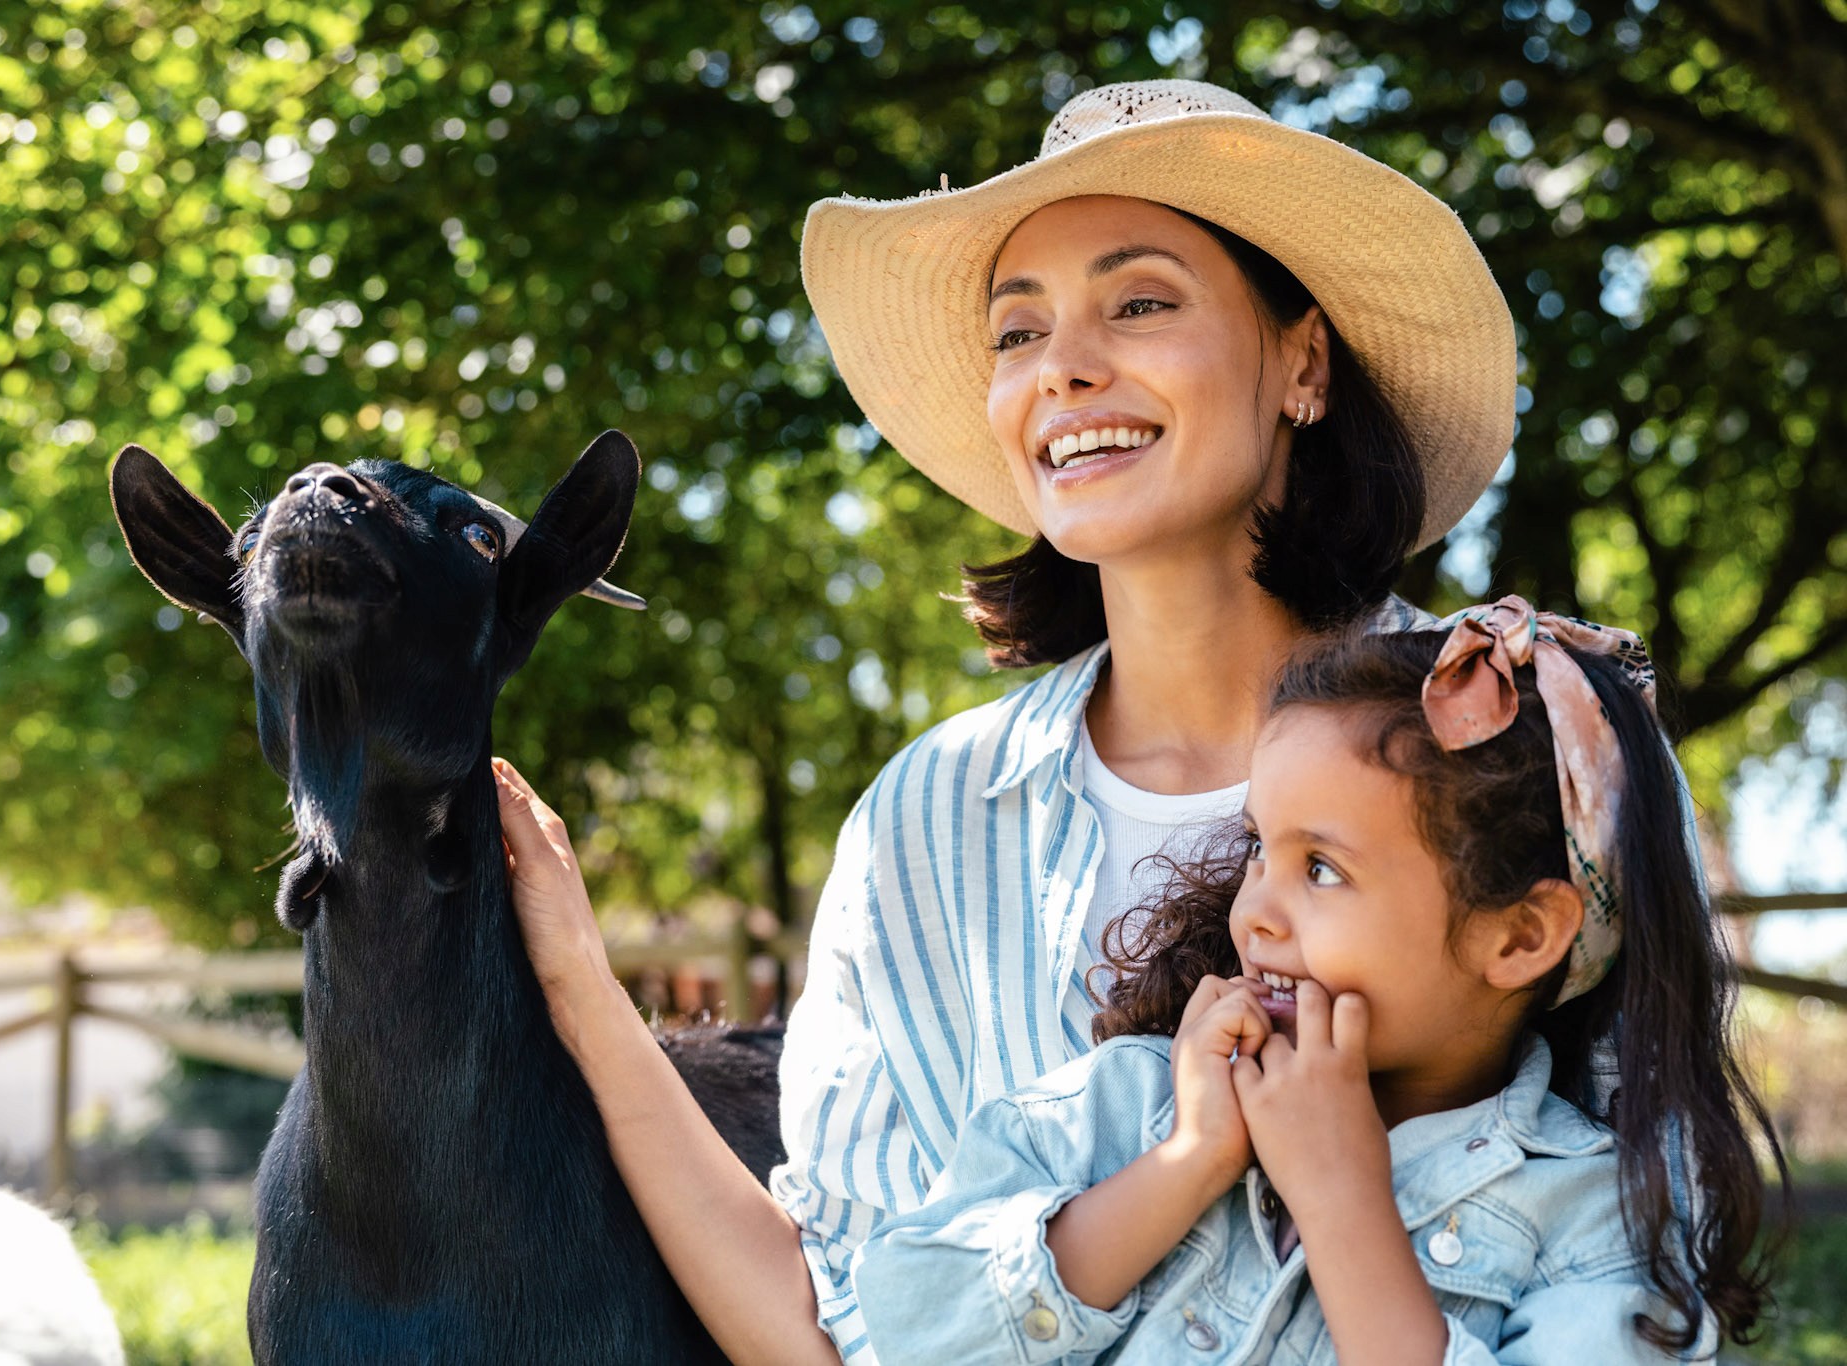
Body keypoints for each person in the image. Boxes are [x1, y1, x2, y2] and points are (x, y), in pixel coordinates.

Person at [491, 79, 1522, 1363]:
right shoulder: (921, 825)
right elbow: (835, 1323)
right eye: (1015, 331)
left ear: (1300, 362)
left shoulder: (1502, 740)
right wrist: (583, 991)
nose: (1063, 369)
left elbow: (1651, 1224)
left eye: (1139, 301)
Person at [850, 611, 1782, 1364]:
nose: (1253, 911)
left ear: (1521, 936)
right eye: (1260, 846)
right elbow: (912, 1322)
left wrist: (1342, 1200)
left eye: (1323, 869)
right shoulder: (1132, 1102)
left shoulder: (1590, 1219)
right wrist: (1190, 1163)